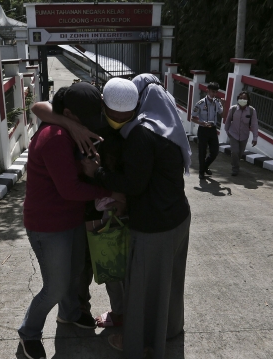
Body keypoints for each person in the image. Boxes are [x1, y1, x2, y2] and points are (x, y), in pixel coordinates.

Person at [82, 75, 192, 359]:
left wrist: (97, 174)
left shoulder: (141, 134)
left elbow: (133, 184)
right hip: (177, 217)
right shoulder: (166, 125)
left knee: (141, 286)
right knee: (168, 281)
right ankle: (167, 330)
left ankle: (141, 344)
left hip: (155, 225)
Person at [18, 83, 122, 359]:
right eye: (83, 121)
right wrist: (110, 191)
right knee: (56, 286)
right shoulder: (54, 136)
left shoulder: (67, 127)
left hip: (70, 219)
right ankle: (29, 332)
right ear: (67, 114)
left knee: (75, 273)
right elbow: (70, 189)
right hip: (47, 225)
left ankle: (70, 314)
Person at [191, 82, 225, 179]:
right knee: (202, 152)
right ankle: (201, 172)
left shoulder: (217, 103)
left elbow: (223, 116)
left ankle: (205, 167)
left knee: (215, 151)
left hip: (213, 129)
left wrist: (224, 105)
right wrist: (202, 123)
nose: (214, 94)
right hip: (203, 129)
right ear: (208, 91)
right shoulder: (200, 103)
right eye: (212, 91)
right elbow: (193, 118)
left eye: (215, 92)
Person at [224, 91, 258, 176]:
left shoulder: (251, 111)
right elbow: (228, 121)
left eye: (245, 98)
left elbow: (254, 124)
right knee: (235, 151)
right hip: (233, 134)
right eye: (241, 98)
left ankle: (235, 164)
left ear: (248, 100)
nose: (242, 100)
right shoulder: (233, 109)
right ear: (238, 99)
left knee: (240, 153)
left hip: (244, 135)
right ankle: (235, 168)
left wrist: (255, 138)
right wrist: (227, 131)